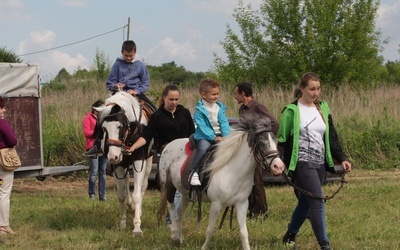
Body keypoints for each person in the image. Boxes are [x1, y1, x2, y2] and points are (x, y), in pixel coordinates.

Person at [278, 72, 352, 250]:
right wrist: (279, 163)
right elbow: (281, 140)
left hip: (320, 163)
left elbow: (331, 136)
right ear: (302, 88)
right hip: (302, 162)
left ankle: (289, 235)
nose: (315, 92)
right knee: (317, 200)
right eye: (312, 89)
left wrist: (342, 157)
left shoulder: (323, 108)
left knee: (306, 201)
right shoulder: (291, 110)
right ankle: (324, 245)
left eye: (318, 89)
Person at [126, 84, 195, 224]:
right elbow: (146, 136)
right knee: (174, 187)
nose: (174, 102)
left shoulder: (185, 113)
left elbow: (192, 134)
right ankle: (173, 219)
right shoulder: (157, 116)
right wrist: (133, 147)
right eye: (171, 99)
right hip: (167, 154)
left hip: (185, 152)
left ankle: (175, 217)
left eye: (176, 99)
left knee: (185, 187)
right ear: (164, 98)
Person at [84, 40, 156, 157]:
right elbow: (109, 82)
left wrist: (137, 91)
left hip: (136, 94)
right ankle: (97, 144)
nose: (128, 58)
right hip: (119, 94)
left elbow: (145, 82)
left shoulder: (140, 65)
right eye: (126, 55)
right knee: (103, 113)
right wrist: (115, 86)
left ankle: (155, 143)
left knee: (155, 111)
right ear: (121, 52)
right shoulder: (117, 64)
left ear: (135, 53)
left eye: (130, 56)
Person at [234, 82, 279, 219]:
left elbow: (274, 123)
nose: (235, 97)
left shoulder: (258, 107)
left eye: (236, 94)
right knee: (247, 180)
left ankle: (262, 211)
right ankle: (252, 210)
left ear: (243, 93)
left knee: (257, 179)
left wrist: (266, 139)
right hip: (246, 150)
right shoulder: (242, 109)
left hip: (258, 149)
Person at [189, 79, 230, 186]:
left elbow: (224, 122)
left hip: (220, 136)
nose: (216, 96)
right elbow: (202, 126)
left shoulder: (219, 107)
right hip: (204, 136)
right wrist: (213, 137)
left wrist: (226, 136)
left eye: (217, 94)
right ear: (203, 94)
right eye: (213, 94)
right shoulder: (199, 109)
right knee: (203, 148)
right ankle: (193, 172)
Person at [82, 100, 107, 201]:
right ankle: (92, 194)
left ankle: (102, 195)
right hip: (93, 147)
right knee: (94, 172)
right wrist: (98, 131)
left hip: (102, 146)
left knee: (103, 171)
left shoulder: (104, 118)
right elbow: (87, 133)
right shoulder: (87, 118)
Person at [0, 96, 17, 235]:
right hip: (2, 162)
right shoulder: (2, 123)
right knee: (4, 193)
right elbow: (12, 141)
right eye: (2, 107)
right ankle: (3, 225)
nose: (4, 109)